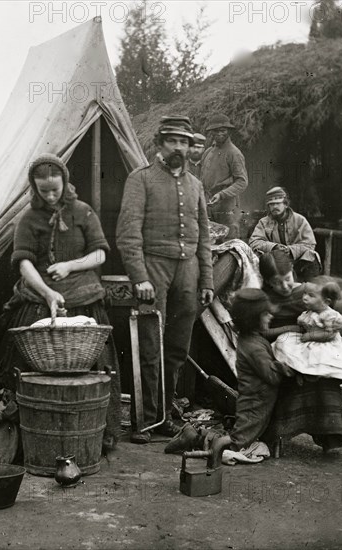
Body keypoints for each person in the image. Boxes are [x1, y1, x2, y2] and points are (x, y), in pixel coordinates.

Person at [0, 153, 121, 448]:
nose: (51, 196)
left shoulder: (83, 212)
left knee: (97, 364)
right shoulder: (28, 219)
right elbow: (24, 264)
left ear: (66, 181)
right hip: (40, 295)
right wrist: (48, 293)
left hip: (83, 294)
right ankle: (28, 432)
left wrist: (70, 266)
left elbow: (100, 254)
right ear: (34, 188)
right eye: (44, 191)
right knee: (26, 362)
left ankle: (98, 432)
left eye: (56, 189)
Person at [116, 115, 214, 444]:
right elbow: (128, 235)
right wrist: (139, 276)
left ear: (190, 147)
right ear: (160, 144)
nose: (179, 147)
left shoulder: (196, 185)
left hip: (188, 271)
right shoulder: (140, 179)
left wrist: (207, 282)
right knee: (149, 343)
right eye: (172, 140)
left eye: (184, 142)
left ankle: (164, 417)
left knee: (176, 347)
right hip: (153, 268)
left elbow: (203, 239)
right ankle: (143, 421)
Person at [258, 250, 342, 452]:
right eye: (276, 282)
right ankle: (280, 433)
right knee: (288, 370)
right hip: (281, 345)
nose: (284, 286)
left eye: (287, 279)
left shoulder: (307, 293)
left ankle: (329, 435)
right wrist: (293, 330)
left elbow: (328, 317)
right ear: (267, 282)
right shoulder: (266, 300)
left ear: (293, 271)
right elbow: (263, 332)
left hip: (312, 342)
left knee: (323, 370)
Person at [228, 288, 295, 452]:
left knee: (249, 433)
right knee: (239, 442)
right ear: (252, 318)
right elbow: (272, 377)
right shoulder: (254, 348)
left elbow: (268, 333)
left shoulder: (251, 337)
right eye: (265, 314)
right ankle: (198, 437)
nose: (270, 316)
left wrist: (291, 328)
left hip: (258, 397)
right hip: (255, 401)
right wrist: (284, 366)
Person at [273, 279, 342, 381]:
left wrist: (311, 336)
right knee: (285, 342)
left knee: (317, 358)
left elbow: (330, 334)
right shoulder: (310, 312)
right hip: (308, 340)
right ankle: (291, 369)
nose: (304, 298)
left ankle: (310, 375)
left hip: (324, 343)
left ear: (326, 302)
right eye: (304, 294)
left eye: (311, 296)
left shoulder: (330, 315)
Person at [249, 186, 321, 282]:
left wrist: (290, 250)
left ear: (285, 204)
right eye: (271, 204)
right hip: (274, 262)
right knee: (257, 255)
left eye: (278, 203)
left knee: (312, 255)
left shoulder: (300, 220)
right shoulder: (263, 222)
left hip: (296, 261)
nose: (274, 207)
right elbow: (254, 242)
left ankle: (307, 286)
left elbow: (309, 244)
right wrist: (274, 247)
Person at [200, 113, 248, 239]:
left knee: (228, 242)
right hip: (208, 203)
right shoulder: (208, 152)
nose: (220, 134)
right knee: (209, 241)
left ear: (228, 131)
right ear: (211, 133)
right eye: (216, 131)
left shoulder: (234, 153)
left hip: (226, 206)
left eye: (223, 130)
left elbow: (242, 182)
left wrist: (222, 194)